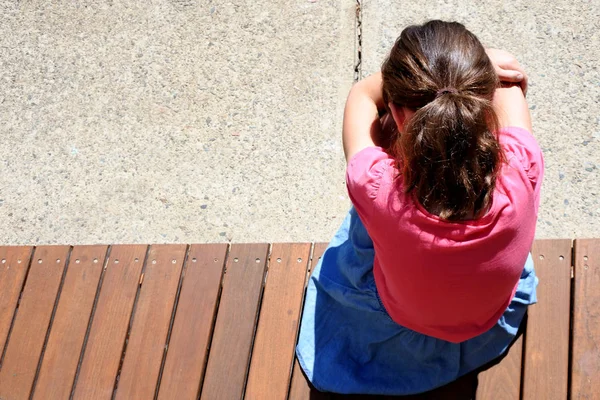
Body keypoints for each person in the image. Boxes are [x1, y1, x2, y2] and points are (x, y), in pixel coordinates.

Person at [295, 20, 544, 395]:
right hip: (486, 317)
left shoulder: (375, 186)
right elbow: (510, 81)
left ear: (397, 113)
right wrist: (475, 69)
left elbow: (362, 95)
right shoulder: (524, 164)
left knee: (368, 216)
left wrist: (426, 82)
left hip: (403, 314)